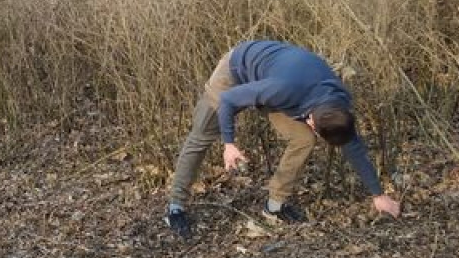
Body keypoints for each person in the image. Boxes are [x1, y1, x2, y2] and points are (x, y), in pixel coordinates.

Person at [164, 39, 402, 239]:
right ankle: (175, 207)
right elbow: (229, 99)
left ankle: (274, 206)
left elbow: (353, 146)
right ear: (311, 120)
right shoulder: (283, 88)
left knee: (304, 140)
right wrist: (229, 144)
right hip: (236, 72)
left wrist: (378, 194)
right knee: (200, 137)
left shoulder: (337, 106)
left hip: (278, 84)